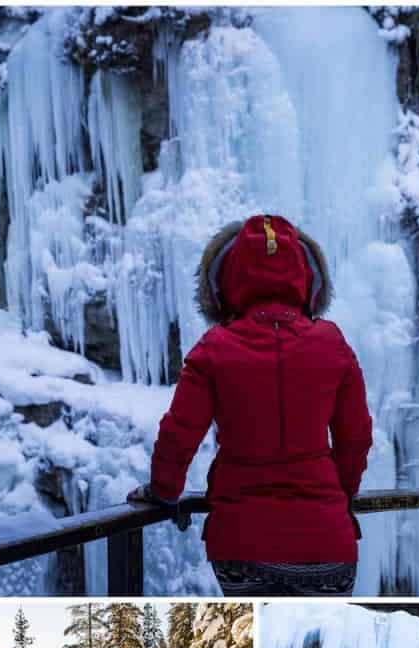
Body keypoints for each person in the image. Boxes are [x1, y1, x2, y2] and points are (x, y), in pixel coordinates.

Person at [129, 215, 372, 596]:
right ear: (307, 279)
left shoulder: (214, 349)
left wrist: (163, 491)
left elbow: (179, 434)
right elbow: (355, 438)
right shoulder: (332, 343)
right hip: (327, 544)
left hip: (241, 545)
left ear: (225, 281)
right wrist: (341, 496)